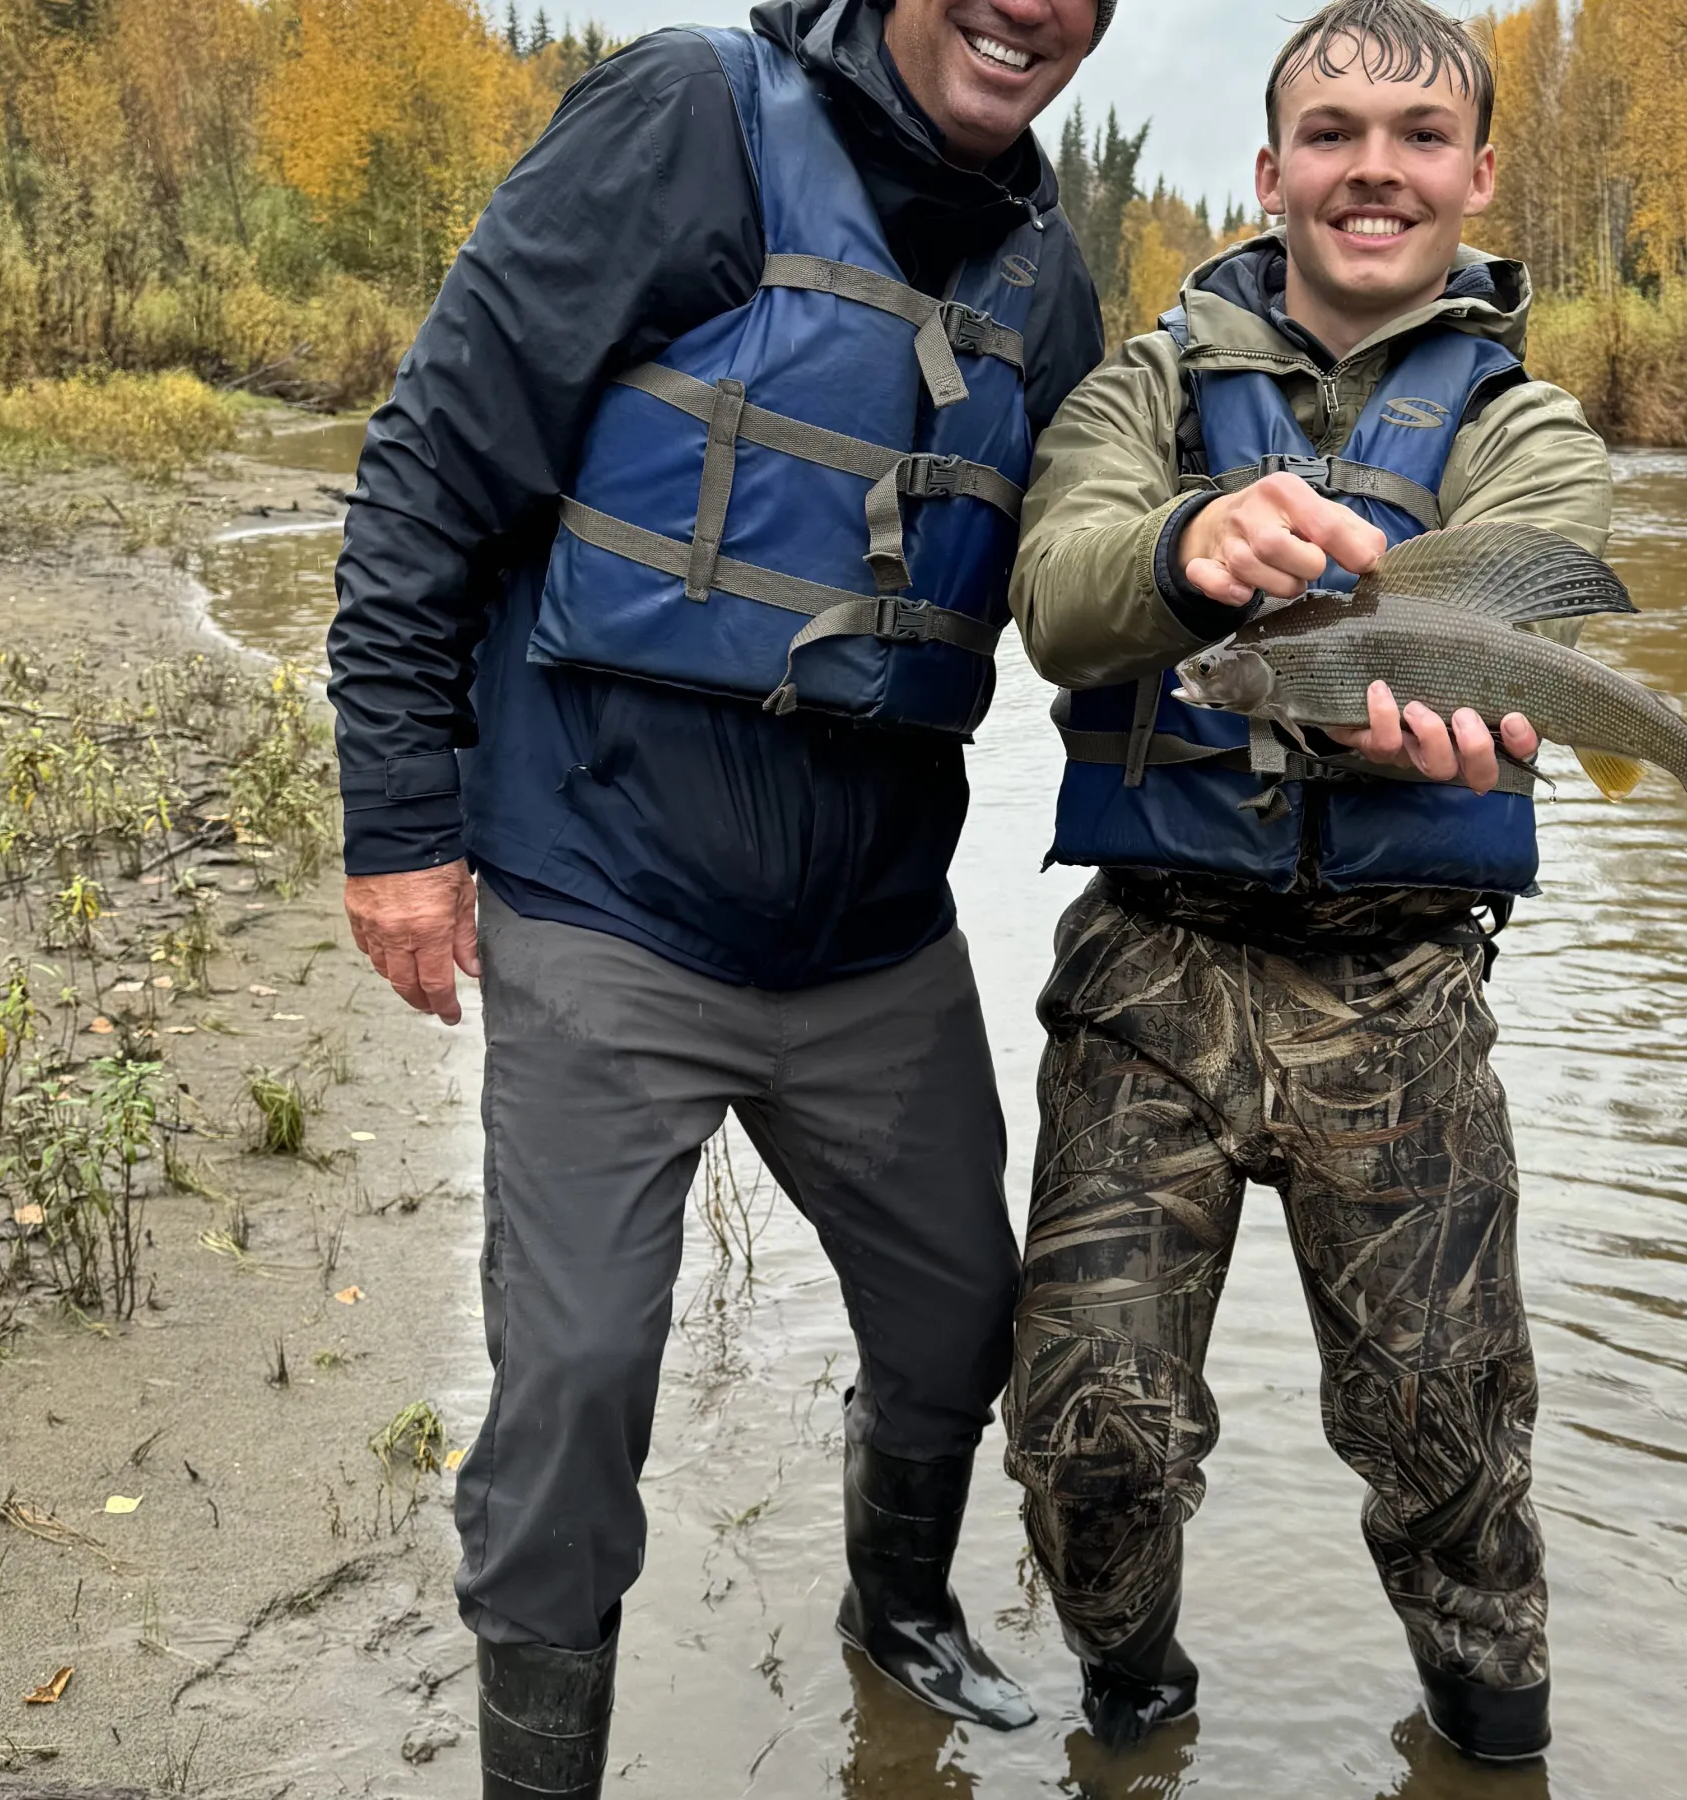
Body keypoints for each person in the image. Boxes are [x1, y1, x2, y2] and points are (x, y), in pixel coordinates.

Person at [326, 1, 1111, 1791]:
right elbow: (431, 472)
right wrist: (398, 828)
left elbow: (1094, 606)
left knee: (961, 1315)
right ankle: (547, 1763)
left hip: (870, 946)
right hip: (604, 897)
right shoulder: (689, 116)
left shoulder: (1050, 285)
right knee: (579, 1380)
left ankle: (894, 1613)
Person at [1000, 0, 1617, 1764]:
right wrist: (1191, 550)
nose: (1373, 167)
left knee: (1448, 1440)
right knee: (1092, 1426)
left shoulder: (1532, 424)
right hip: (1150, 973)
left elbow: (1538, 607)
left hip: (1402, 990)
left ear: (1478, 174)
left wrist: (1456, 719)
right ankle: (1136, 1717)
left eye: (1418, 138)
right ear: (1268, 171)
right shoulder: (1142, 385)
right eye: (1330, 131)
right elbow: (1059, 594)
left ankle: (1496, 1743)